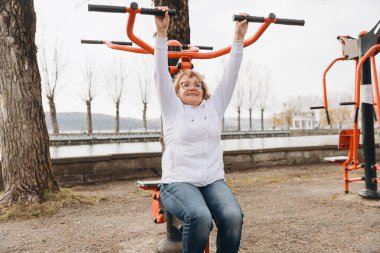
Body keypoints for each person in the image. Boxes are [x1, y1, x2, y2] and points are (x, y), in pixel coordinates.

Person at [154, 6, 249, 253]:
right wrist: (161, 34)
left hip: (211, 181)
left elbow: (231, 75)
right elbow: (160, 76)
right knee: (200, 217)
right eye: (185, 84)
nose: (192, 86)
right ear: (176, 92)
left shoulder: (213, 107)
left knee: (232, 216)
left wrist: (238, 39)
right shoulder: (172, 109)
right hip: (178, 182)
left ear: (204, 90)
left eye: (197, 84)